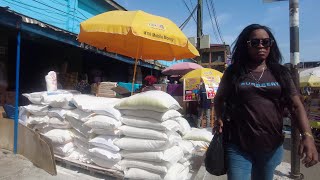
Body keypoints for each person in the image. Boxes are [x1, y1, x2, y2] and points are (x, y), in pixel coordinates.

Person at [213, 24, 318, 180]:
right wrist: (219, 117)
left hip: (271, 146)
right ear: (246, 45)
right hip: (238, 146)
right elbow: (219, 98)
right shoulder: (233, 72)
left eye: (266, 42)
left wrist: (307, 136)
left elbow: (296, 106)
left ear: (271, 44)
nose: (261, 46)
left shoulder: (281, 72)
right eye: (255, 42)